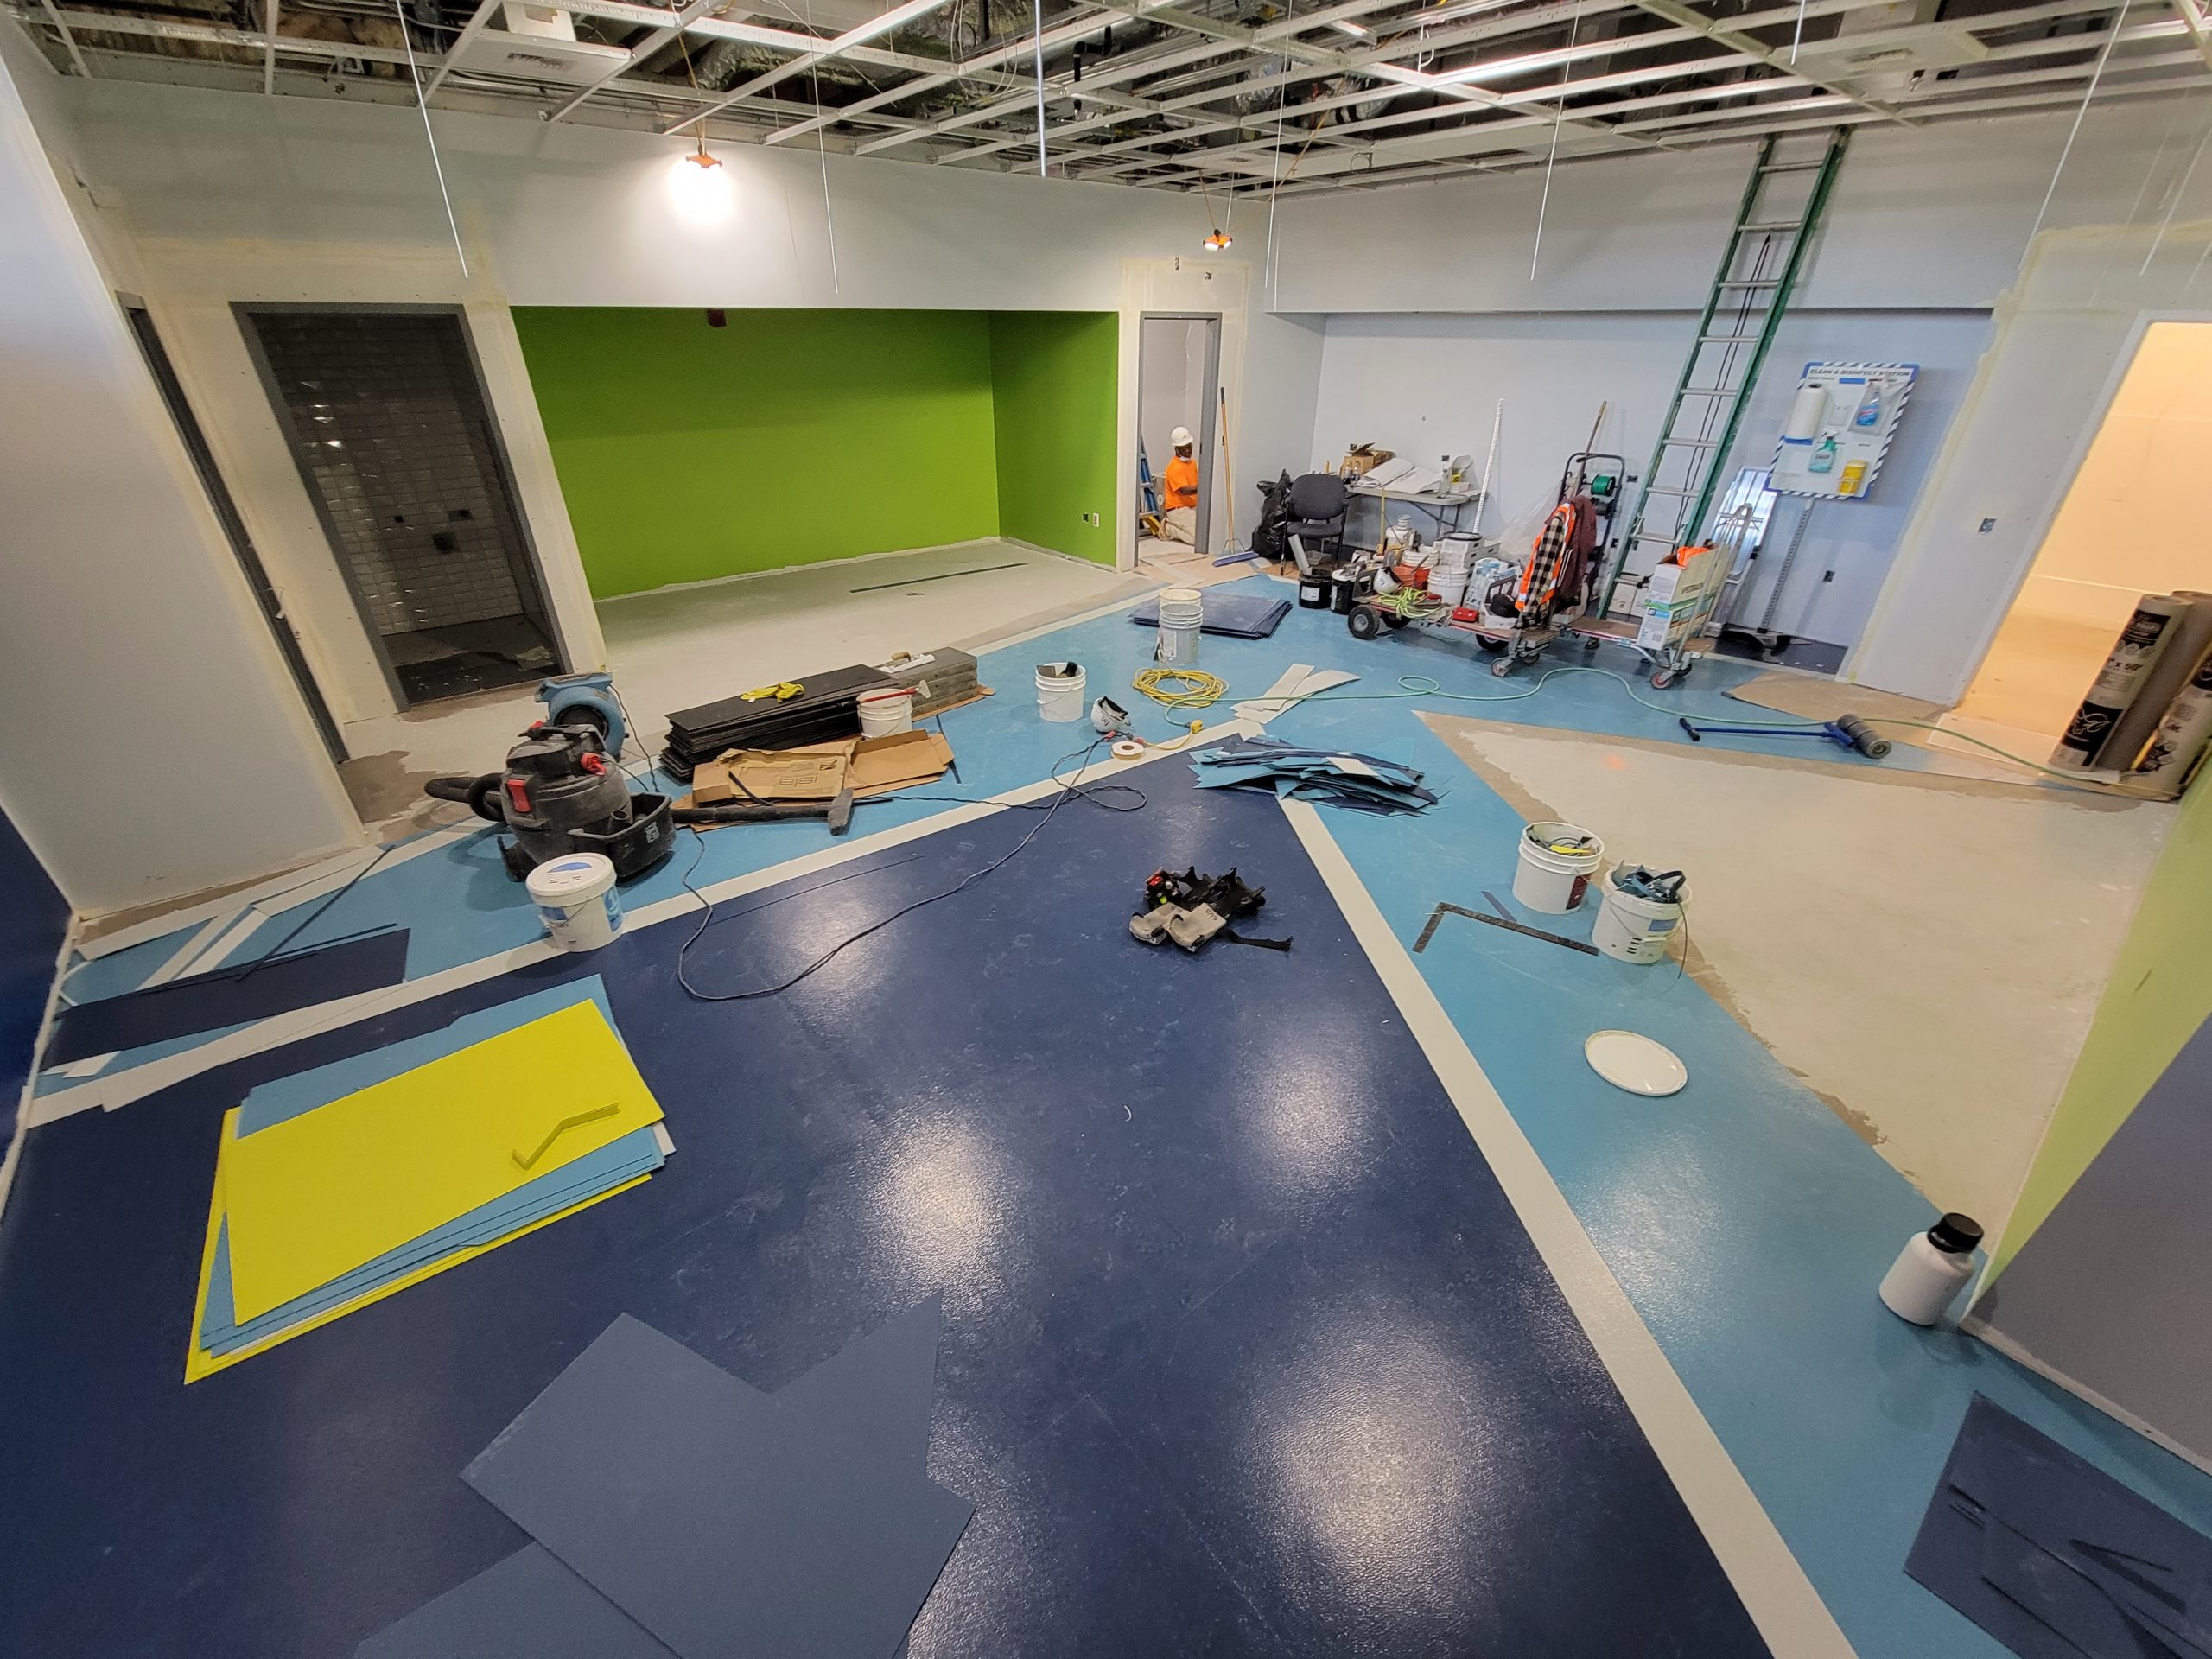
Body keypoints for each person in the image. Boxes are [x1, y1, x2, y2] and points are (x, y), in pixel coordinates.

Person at [1160, 425, 1199, 544]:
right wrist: (1204, 486)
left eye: (1189, 446)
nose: (1187, 450)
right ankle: (1168, 528)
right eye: (1183, 448)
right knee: (1198, 539)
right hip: (1178, 511)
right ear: (1176, 449)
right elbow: (1185, 491)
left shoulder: (1192, 463)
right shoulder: (1174, 468)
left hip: (1192, 507)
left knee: (1207, 535)